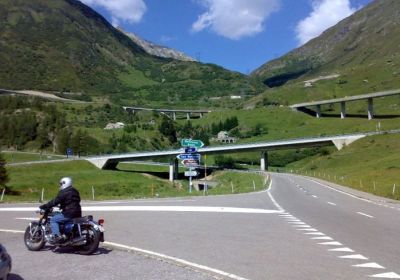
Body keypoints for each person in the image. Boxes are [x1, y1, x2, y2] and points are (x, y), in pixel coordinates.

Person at [40, 177, 82, 243]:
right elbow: (72, 201)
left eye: (61, 184)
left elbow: (55, 201)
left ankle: (57, 236)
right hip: (78, 212)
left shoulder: (64, 192)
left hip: (69, 213)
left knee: (53, 220)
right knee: (60, 217)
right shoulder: (75, 191)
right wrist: (62, 205)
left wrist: (45, 206)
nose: (60, 185)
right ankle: (66, 235)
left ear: (64, 183)